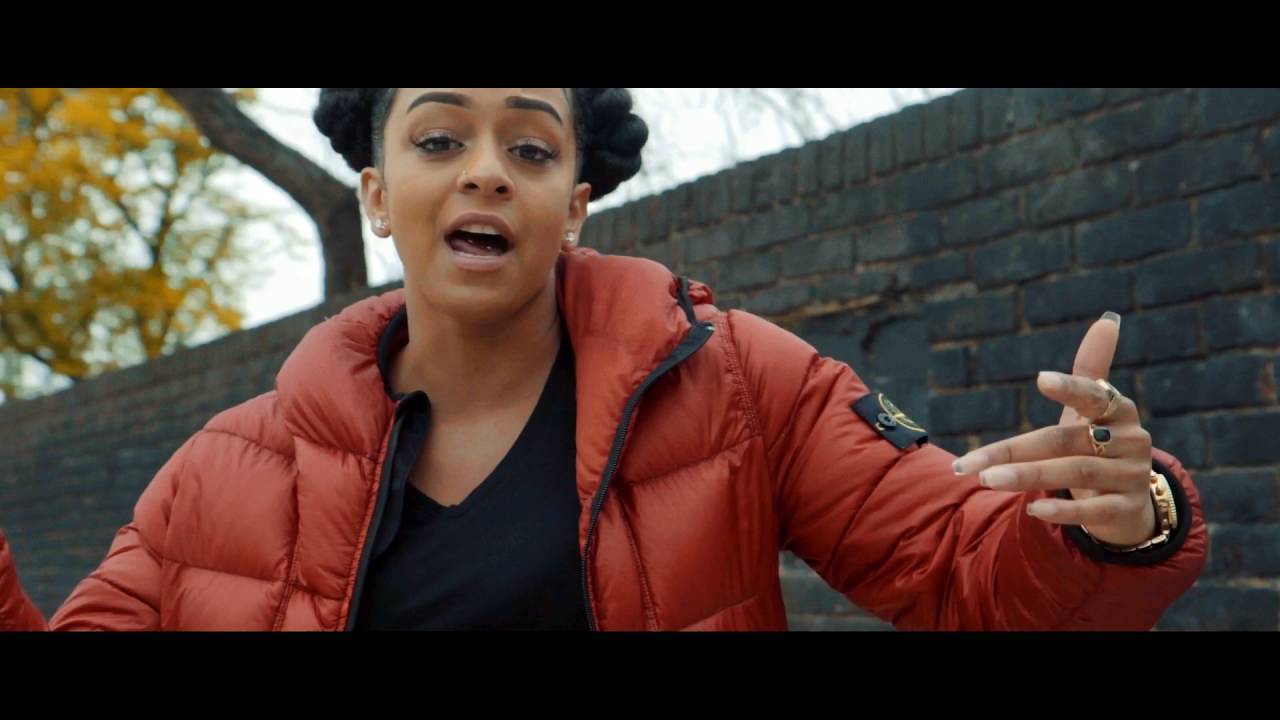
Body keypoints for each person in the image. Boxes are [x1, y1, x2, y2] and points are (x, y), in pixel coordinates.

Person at [0, 88, 1206, 631]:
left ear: (573, 204)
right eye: (439, 138)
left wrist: (1117, 521)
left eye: (529, 148)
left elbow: (962, 576)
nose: (485, 170)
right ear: (375, 193)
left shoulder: (739, 382)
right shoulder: (218, 473)